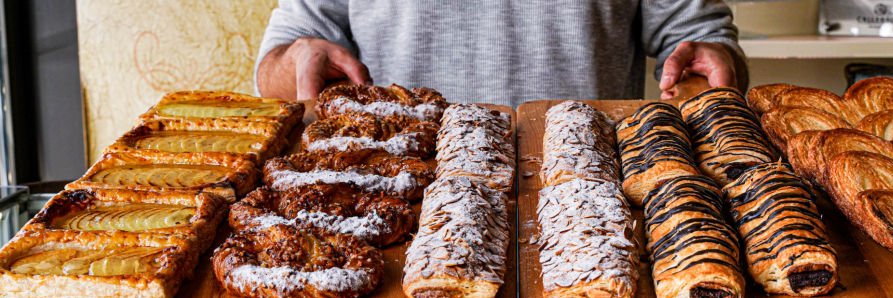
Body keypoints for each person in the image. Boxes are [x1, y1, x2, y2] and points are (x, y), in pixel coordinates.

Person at [256, 0, 747, 106]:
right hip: (395, 206)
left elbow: (697, 36)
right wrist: (298, 58)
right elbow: (276, 65)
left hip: (592, 199)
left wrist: (709, 59)